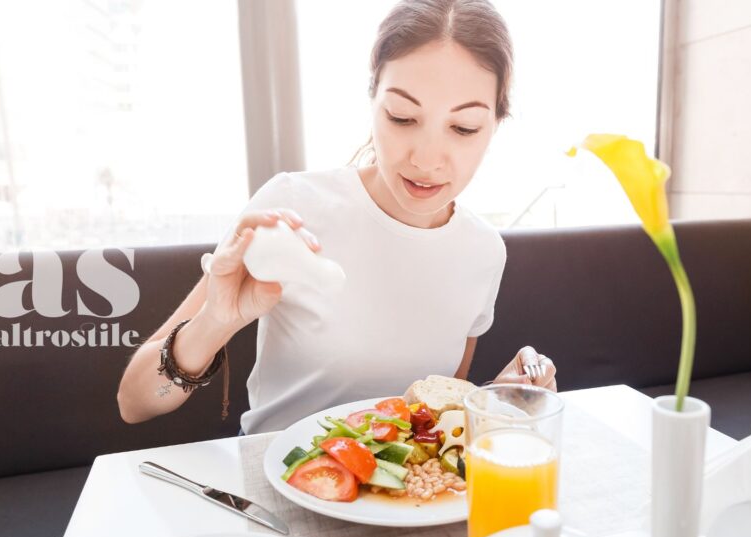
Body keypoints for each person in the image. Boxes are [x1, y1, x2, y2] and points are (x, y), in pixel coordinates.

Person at [117, 0, 556, 434]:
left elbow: (433, 418)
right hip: (277, 485)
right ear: (373, 101)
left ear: (496, 123)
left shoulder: (482, 250)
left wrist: (496, 400)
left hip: (402, 502)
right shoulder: (293, 207)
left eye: (463, 128)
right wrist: (217, 320)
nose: (426, 160)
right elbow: (134, 403)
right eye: (402, 117)